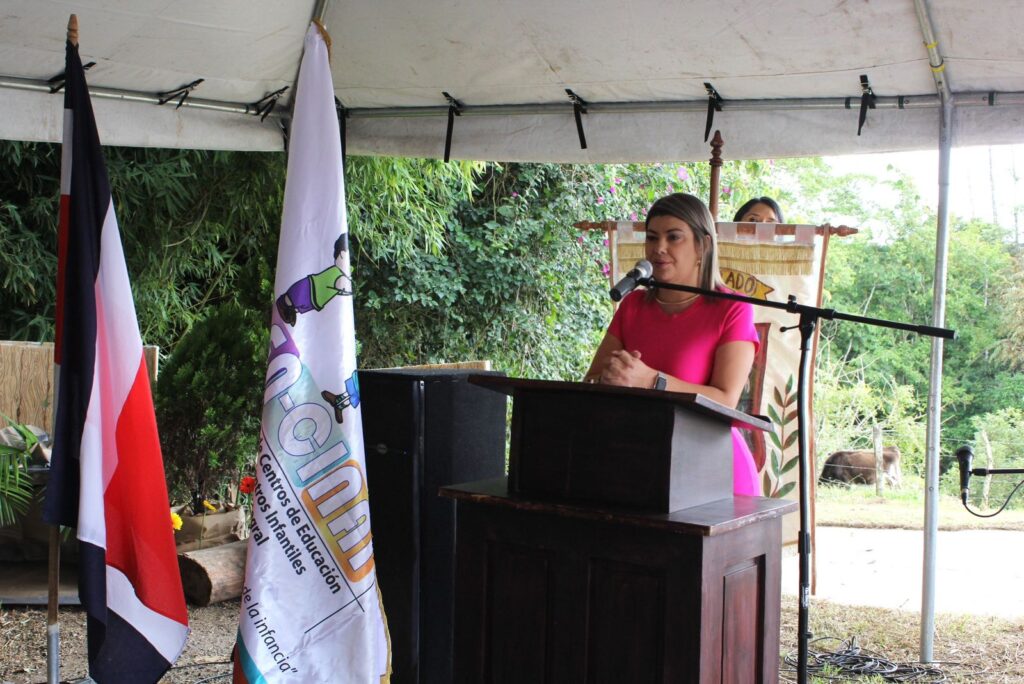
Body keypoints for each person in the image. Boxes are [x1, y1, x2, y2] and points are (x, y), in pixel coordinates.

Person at [584, 192, 761, 496]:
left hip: (712, 472)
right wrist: (610, 378)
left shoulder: (733, 307)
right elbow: (591, 380)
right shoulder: (633, 305)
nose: (659, 248)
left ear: (702, 245)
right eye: (652, 238)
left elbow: (726, 400)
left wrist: (652, 380)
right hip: (636, 463)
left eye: (673, 237)